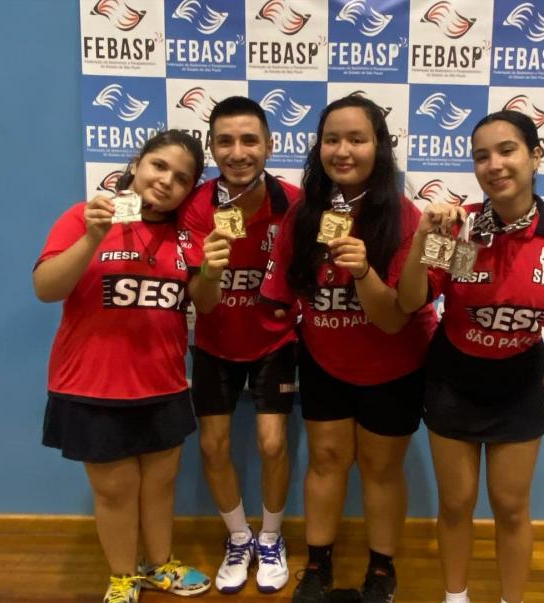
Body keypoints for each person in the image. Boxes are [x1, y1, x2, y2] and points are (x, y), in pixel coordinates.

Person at [397, 110, 544, 603]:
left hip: (517, 385)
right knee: (457, 504)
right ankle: (455, 597)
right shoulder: (463, 229)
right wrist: (425, 237)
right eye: (481, 155)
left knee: (511, 507)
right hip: (454, 379)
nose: (494, 164)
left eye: (506, 150)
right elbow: (410, 299)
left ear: (534, 156)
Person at [259, 95, 438, 603]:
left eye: (357, 139)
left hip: (395, 363)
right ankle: (317, 565)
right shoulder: (303, 213)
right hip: (325, 361)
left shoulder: (404, 217)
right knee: (326, 460)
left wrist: (362, 271)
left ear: (379, 148)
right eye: (332, 139)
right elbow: (279, 297)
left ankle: (381, 571)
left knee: (382, 468)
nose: (343, 150)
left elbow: (392, 318)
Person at [33, 130, 215, 603]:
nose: (166, 181)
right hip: (92, 386)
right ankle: (122, 575)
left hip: (164, 383)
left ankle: (159, 565)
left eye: (181, 178)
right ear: (137, 164)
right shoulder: (83, 216)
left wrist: (213, 270)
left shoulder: (187, 236)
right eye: (159, 166)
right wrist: (93, 238)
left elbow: (206, 305)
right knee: (115, 492)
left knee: (160, 484)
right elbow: (47, 288)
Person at [178, 96, 301, 594]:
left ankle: (270, 538)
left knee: (273, 442)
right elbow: (202, 304)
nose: (238, 151)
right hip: (214, 342)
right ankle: (237, 537)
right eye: (225, 141)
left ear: (269, 145)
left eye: (249, 139)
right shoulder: (196, 206)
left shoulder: (293, 202)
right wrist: (211, 269)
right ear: (212, 148)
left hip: (276, 340)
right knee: (213, 446)